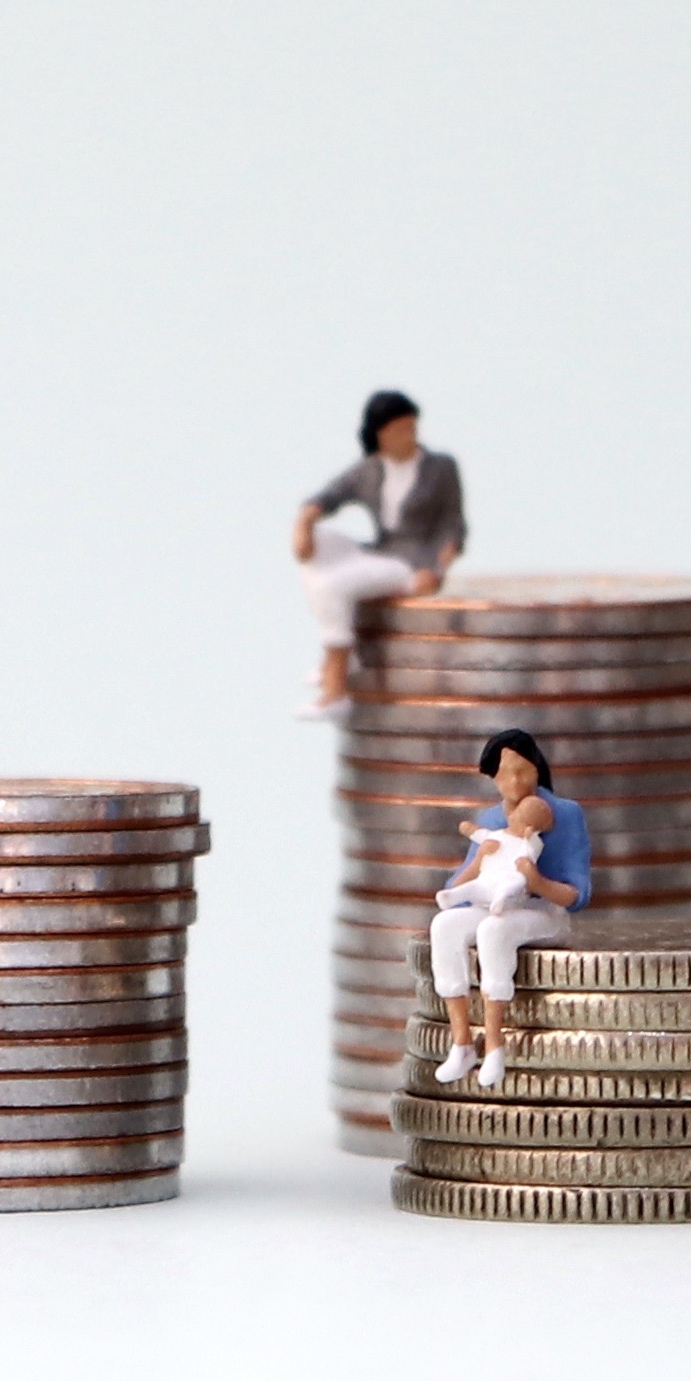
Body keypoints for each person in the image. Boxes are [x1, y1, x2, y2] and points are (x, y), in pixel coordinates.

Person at [426, 729, 588, 1090]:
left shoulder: (563, 814)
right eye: (505, 774)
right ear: (492, 777)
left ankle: (496, 1045)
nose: (516, 782)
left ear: (537, 770)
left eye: (524, 771)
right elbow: (458, 885)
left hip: (541, 910)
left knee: (493, 930)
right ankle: (462, 1042)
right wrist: (478, 861)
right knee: (445, 925)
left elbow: (577, 893)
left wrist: (537, 882)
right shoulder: (491, 821)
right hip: (491, 899)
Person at [293, 390, 467, 719]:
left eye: (413, 427)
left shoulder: (440, 468)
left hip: (411, 563)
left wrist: (437, 570)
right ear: (380, 434)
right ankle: (344, 655)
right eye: (401, 429)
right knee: (317, 550)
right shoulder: (371, 469)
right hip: (381, 550)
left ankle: (334, 689)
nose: (411, 436)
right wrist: (305, 521)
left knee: (332, 584)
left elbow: (452, 526)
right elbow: (328, 495)